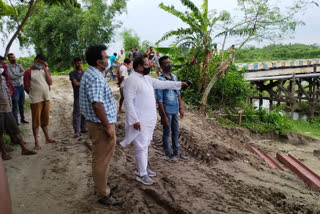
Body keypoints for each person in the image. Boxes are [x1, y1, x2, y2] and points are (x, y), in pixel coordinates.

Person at [120, 56, 188, 185]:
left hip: (148, 119)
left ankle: (144, 168)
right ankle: (142, 174)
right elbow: (128, 102)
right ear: (139, 66)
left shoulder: (146, 78)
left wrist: (179, 84)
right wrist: (134, 120)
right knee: (140, 146)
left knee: (145, 144)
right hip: (139, 120)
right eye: (146, 64)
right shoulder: (132, 80)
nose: (149, 66)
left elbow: (162, 84)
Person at [79, 44, 123, 206]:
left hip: (97, 123)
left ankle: (102, 185)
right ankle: (103, 194)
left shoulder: (92, 73)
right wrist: (108, 127)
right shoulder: (96, 78)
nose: (108, 60)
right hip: (100, 126)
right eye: (105, 57)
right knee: (101, 159)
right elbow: (97, 104)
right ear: (99, 61)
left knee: (102, 158)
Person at [0, 57, 36, 160]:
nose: (4, 66)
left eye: (4, 65)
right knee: (0, 132)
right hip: (1, 110)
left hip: (6, 108)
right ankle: (4, 152)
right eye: (2, 65)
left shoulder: (2, 77)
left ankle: (23, 149)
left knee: (15, 129)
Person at [155, 56, 188, 162]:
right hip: (166, 109)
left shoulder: (174, 77)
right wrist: (163, 115)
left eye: (169, 62)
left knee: (176, 131)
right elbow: (159, 99)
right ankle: (168, 154)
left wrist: (181, 108)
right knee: (167, 132)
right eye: (166, 63)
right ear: (161, 66)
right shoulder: (159, 80)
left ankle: (176, 152)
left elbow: (178, 93)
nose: (169, 64)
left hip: (174, 108)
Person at [23, 54, 57, 150]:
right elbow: (26, 86)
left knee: (45, 120)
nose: (40, 64)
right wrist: (32, 94)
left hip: (46, 98)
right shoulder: (28, 72)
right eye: (39, 62)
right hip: (36, 100)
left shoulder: (45, 70)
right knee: (36, 121)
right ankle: (36, 142)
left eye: (42, 63)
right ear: (35, 60)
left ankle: (47, 138)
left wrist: (45, 69)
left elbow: (50, 82)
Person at [7, 53, 28, 125]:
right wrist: (20, 74)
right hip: (14, 88)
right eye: (12, 58)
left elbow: (24, 72)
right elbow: (11, 77)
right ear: (9, 59)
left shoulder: (19, 65)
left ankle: (22, 119)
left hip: (21, 87)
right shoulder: (7, 67)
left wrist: (17, 74)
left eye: (14, 57)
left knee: (21, 104)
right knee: (15, 104)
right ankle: (16, 121)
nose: (14, 59)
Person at [69, 57, 87, 138]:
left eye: (80, 63)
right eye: (77, 63)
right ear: (74, 64)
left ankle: (83, 128)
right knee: (77, 113)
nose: (79, 64)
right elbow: (76, 83)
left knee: (84, 113)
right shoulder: (72, 73)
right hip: (77, 96)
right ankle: (76, 131)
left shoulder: (84, 72)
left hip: (85, 95)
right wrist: (85, 82)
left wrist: (83, 71)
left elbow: (88, 81)